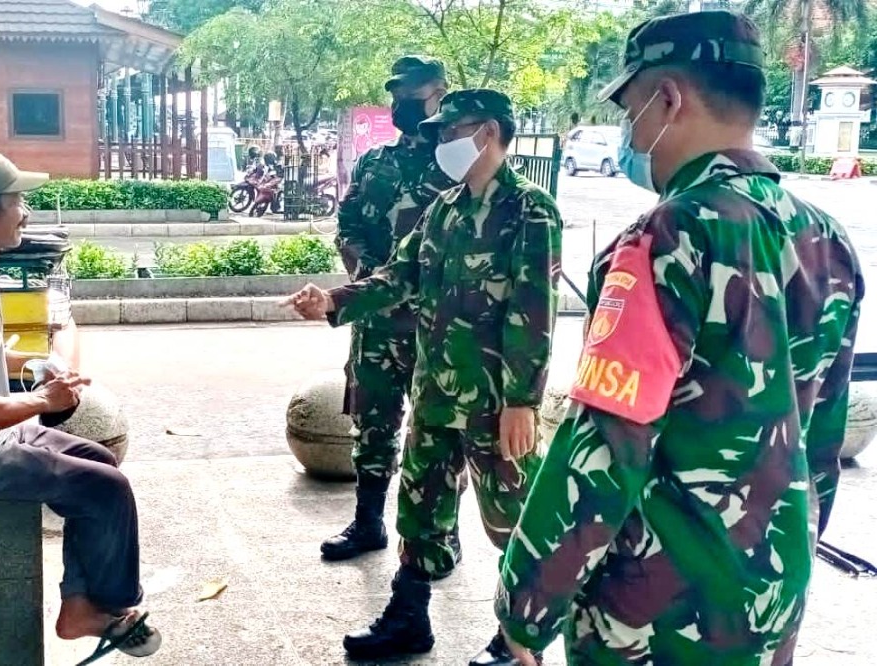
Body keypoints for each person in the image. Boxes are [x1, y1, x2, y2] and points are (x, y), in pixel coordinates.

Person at [493, 11, 866, 666]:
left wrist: (526, 604)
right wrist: (791, 557)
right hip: (769, 597)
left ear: (667, 98)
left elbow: (608, 442)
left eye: (631, 108)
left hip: (657, 611)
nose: (631, 132)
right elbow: (822, 440)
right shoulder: (828, 240)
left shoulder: (668, 236)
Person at [285, 89, 563, 664]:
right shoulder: (446, 208)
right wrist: (334, 300)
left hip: (494, 400)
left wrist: (522, 401)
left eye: (449, 131)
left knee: (512, 519)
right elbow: (398, 277)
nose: (439, 143)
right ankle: (408, 617)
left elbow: (533, 311)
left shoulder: (530, 211)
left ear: (486, 132)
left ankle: (516, 637)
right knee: (420, 507)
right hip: (436, 392)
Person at [0, 148, 161, 662]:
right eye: (18, 201)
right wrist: (43, 400)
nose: (26, 213)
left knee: (100, 462)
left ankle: (80, 603)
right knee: (107, 489)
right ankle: (106, 608)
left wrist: (38, 364)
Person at [321, 54, 452, 564]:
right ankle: (368, 522)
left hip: (438, 324)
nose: (402, 104)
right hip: (376, 318)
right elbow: (348, 222)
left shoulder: (456, 164)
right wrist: (369, 273)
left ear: (439, 93)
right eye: (396, 95)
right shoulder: (376, 162)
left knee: (439, 430)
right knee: (374, 424)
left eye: (413, 95)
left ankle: (439, 533)